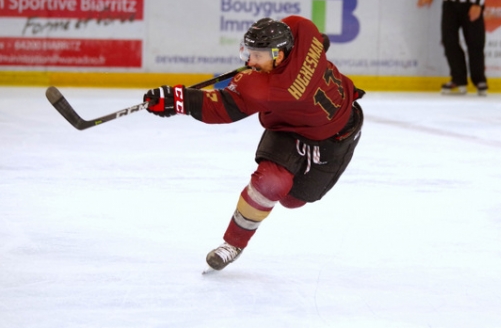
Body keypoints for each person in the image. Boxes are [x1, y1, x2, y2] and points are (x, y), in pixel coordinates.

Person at [142, 16, 364, 272]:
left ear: (279, 55)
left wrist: (178, 100)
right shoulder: (302, 29)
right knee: (271, 184)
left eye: (258, 56)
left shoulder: (272, 88)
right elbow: (315, 40)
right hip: (289, 129)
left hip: (335, 135)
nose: (250, 62)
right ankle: (233, 244)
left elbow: (222, 107)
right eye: (249, 53)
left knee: (294, 200)